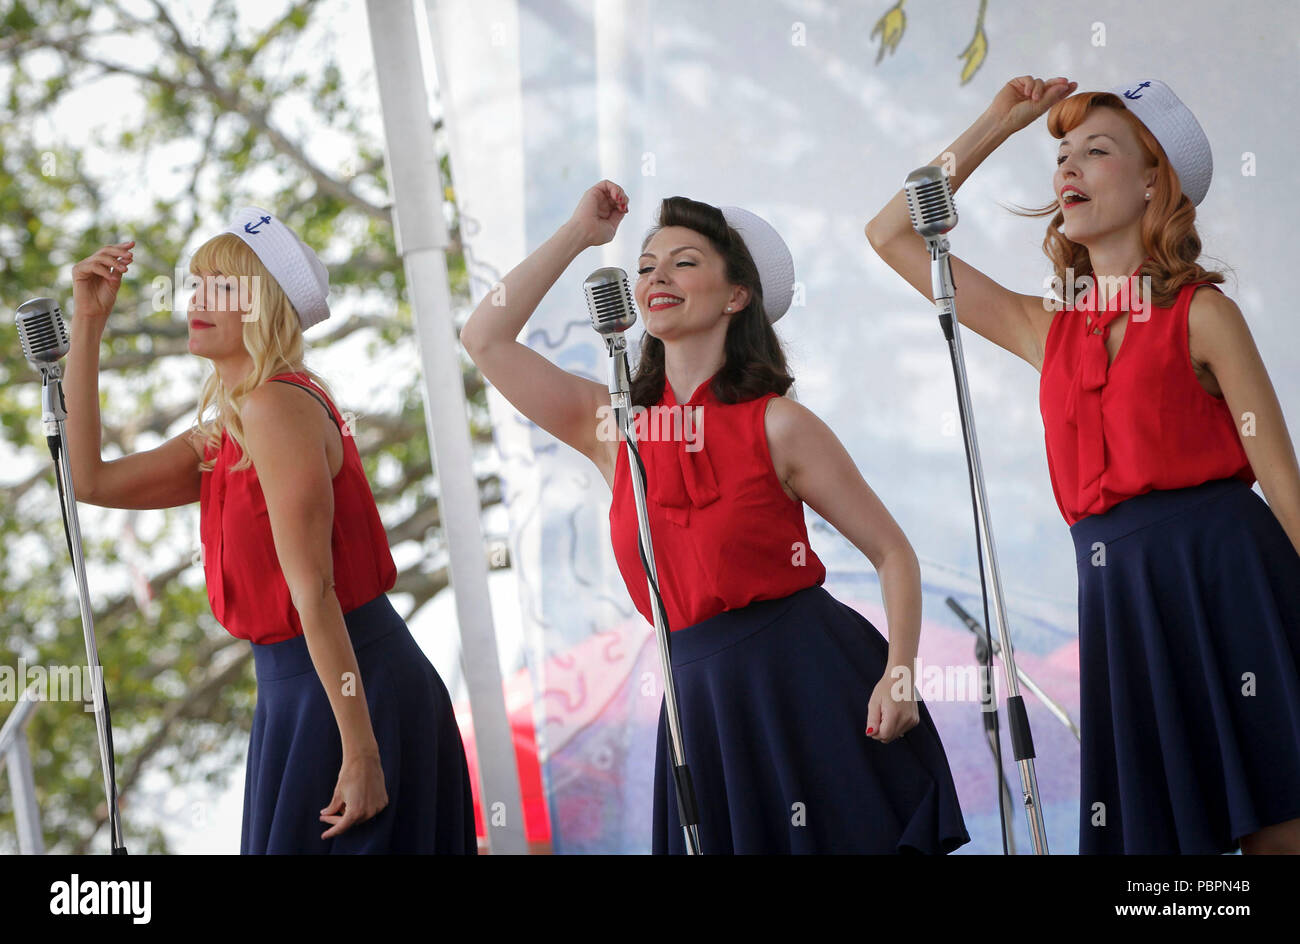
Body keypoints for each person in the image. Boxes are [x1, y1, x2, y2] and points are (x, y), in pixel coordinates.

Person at [462, 183, 970, 854]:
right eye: (646, 266)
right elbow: (485, 338)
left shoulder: (779, 424)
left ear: (737, 296)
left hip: (808, 684)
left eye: (685, 261)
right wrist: (578, 234)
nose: (657, 276)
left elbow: (892, 554)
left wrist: (899, 674)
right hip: (698, 702)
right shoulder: (615, 430)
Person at [867, 76, 1300, 854]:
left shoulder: (1204, 313)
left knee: (1277, 820)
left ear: (1151, 182)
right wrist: (998, 124)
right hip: (1120, 602)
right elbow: (893, 232)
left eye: (1096, 152)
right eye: (1060, 154)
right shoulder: (1046, 327)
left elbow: (1286, 488)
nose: (1067, 167)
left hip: (1234, 584)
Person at [63, 206, 478, 854]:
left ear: (266, 308)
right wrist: (88, 322)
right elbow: (89, 481)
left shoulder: (275, 405)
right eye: (197, 283)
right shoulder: (228, 427)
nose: (199, 300)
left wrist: (361, 749)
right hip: (296, 697)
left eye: (225, 287)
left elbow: (314, 591)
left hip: (347, 693)